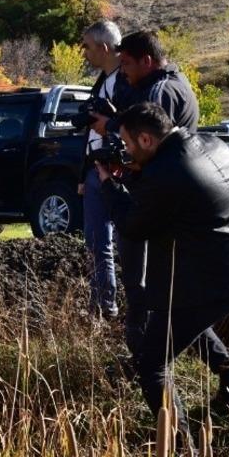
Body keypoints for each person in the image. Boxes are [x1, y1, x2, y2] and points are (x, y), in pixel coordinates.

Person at [98, 102, 229, 456]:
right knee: (186, 319)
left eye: (127, 144)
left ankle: (180, 450)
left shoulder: (166, 172)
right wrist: (135, 174)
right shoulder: (210, 143)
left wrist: (109, 186)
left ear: (146, 138)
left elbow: (132, 226)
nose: (125, 151)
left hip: (209, 283)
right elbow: (177, 197)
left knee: (151, 362)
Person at [89, 30, 200, 355]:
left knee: (140, 282)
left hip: (155, 197)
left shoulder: (161, 92)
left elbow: (149, 140)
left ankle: (142, 354)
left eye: (125, 64)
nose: (122, 71)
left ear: (146, 61)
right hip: (166, 194)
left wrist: (110, 127)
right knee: (158, 286)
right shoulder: (173, 84)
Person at [78, 21, 137, 319]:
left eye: (87, 46)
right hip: (95, 169)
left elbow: (129, 128)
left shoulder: (126, 82)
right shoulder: (102, 81)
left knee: (123, 242)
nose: (84, 52)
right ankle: (103, 306)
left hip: (117, 171)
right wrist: (83, 175)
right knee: (96, 241)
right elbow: (90, 131)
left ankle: (116, 308)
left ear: (103, 47)